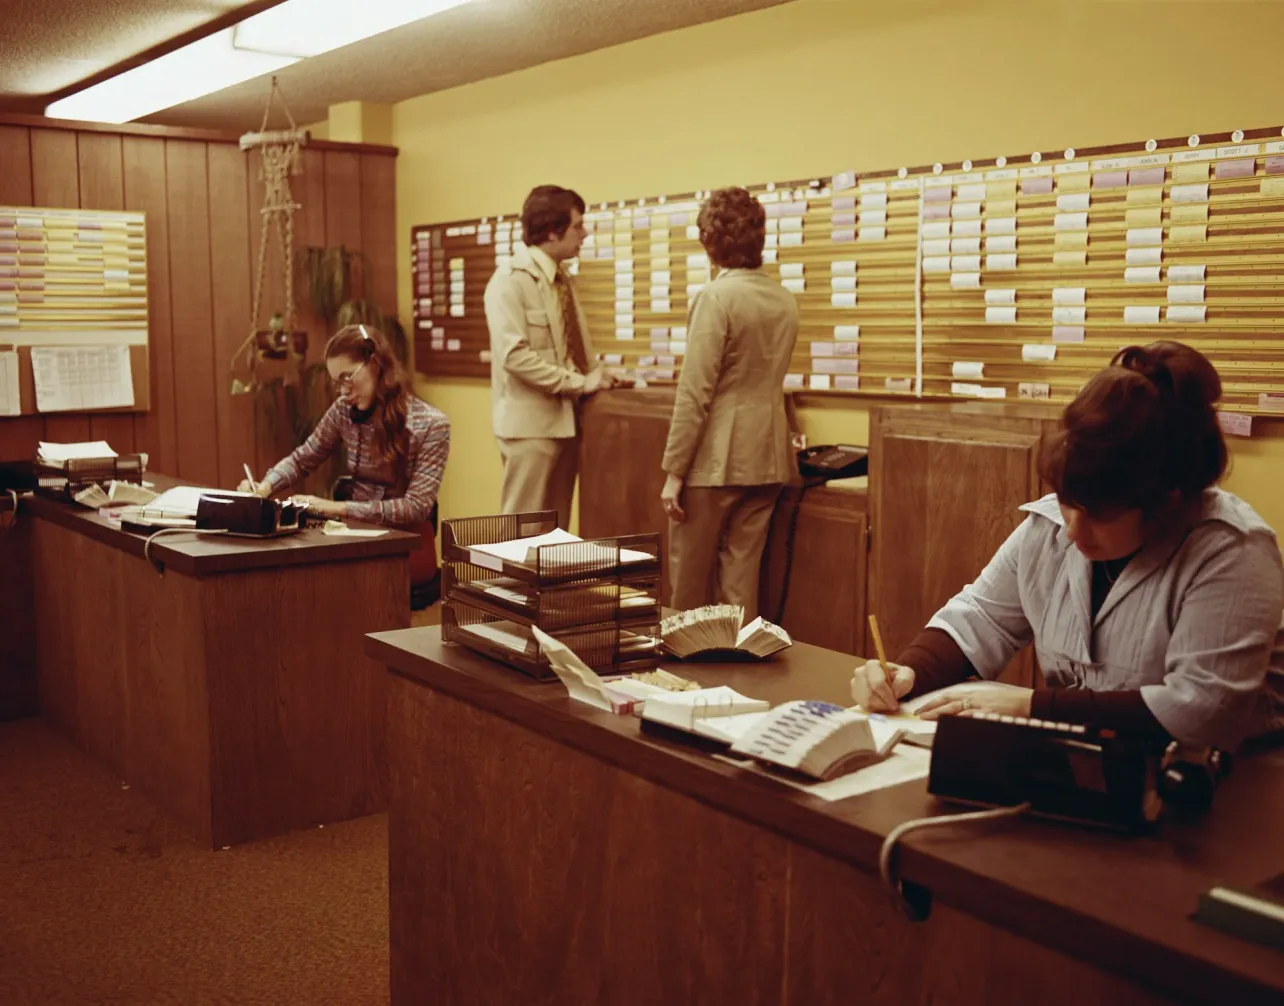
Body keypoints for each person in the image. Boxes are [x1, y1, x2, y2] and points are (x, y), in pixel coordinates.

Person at [851, 341, 1284, 752]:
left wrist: (1030, 707)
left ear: (1165, 501)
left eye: (1099, 514)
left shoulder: (1233, 552)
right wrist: (911, 672)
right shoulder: (1052, 526)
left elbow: (1200, 712)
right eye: (1066, 501)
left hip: (1232, 781)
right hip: (1092, 759)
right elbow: (981, 618)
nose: (1073, 532)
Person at [660, 187, 800, 616]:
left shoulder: (715, 298)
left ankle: (683, 660)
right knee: (741, 581)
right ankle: (736, 658)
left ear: (709, 242)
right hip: (768, 455)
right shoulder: (784, 299)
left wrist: (674, 472)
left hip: (715, 459)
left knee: (689, 585)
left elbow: (695, 392)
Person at [240, 324, 451, 602]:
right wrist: (265, 487)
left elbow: (415, 507)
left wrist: (335, 508)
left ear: (374, 363)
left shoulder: (432, 425)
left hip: (406, 541)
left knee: (329, 584)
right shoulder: (343, 411)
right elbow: (303, 458)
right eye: (336, 382)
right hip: (352, 533)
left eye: (347, 378)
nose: (342, 391)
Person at [484, 184, 616, 531]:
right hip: (530, 430)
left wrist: (601, 375)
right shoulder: (509, 282)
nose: (584, 234)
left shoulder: (562, 281)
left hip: (566, 425)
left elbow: (574, 350)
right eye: (577, 226)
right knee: (521, 535)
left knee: (555, 536)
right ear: (552, 231)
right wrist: (580, 383)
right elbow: (515, 357)